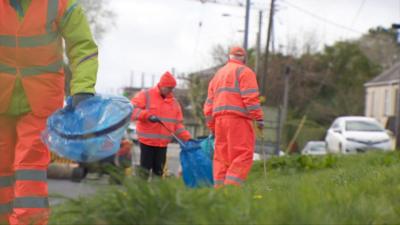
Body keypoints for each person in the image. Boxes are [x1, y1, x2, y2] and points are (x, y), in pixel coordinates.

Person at [0, 1, 98, 224]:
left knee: (29, 165)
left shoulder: (59, 3)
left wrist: (83, 88)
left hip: (41, 99)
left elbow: (82, 46)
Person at [203, 46, 264, 188]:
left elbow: (208, 106)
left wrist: (212, 126)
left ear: (228, 58)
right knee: (242, 155)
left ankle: (219, 191)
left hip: (219, 122)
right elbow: (250, 99)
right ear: (244, 58)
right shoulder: (245, 72)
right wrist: (258, 118)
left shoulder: (217, 75)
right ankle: (231, 190)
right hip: (239, 121)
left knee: (221, 158)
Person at [130, 72, 192, 179]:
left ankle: (156, 194)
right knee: (144, 170)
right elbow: (131, 110)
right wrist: (147, 115)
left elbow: (177, 126)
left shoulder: (174, 104)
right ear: (162, 85)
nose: (170, 91)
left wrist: (188, 139)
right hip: (147, 142)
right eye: (168, 88)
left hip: (162, 144)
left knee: (158, 172)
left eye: (172, 88)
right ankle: (141, 193)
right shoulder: (146, 95)